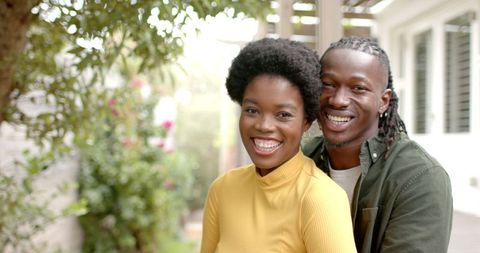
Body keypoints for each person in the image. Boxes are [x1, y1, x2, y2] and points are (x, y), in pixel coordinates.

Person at [200, 38, 357, 253]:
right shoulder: (222, 189)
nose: (264, 126)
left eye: (283, 115)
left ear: (306, 122)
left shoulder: (320, 199)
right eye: (252, 110)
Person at [302, 36, 453, 253]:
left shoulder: (419, 177)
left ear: (383, 101)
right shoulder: (303, 159)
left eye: (358, 88)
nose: (338, 100)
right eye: (328, 85)